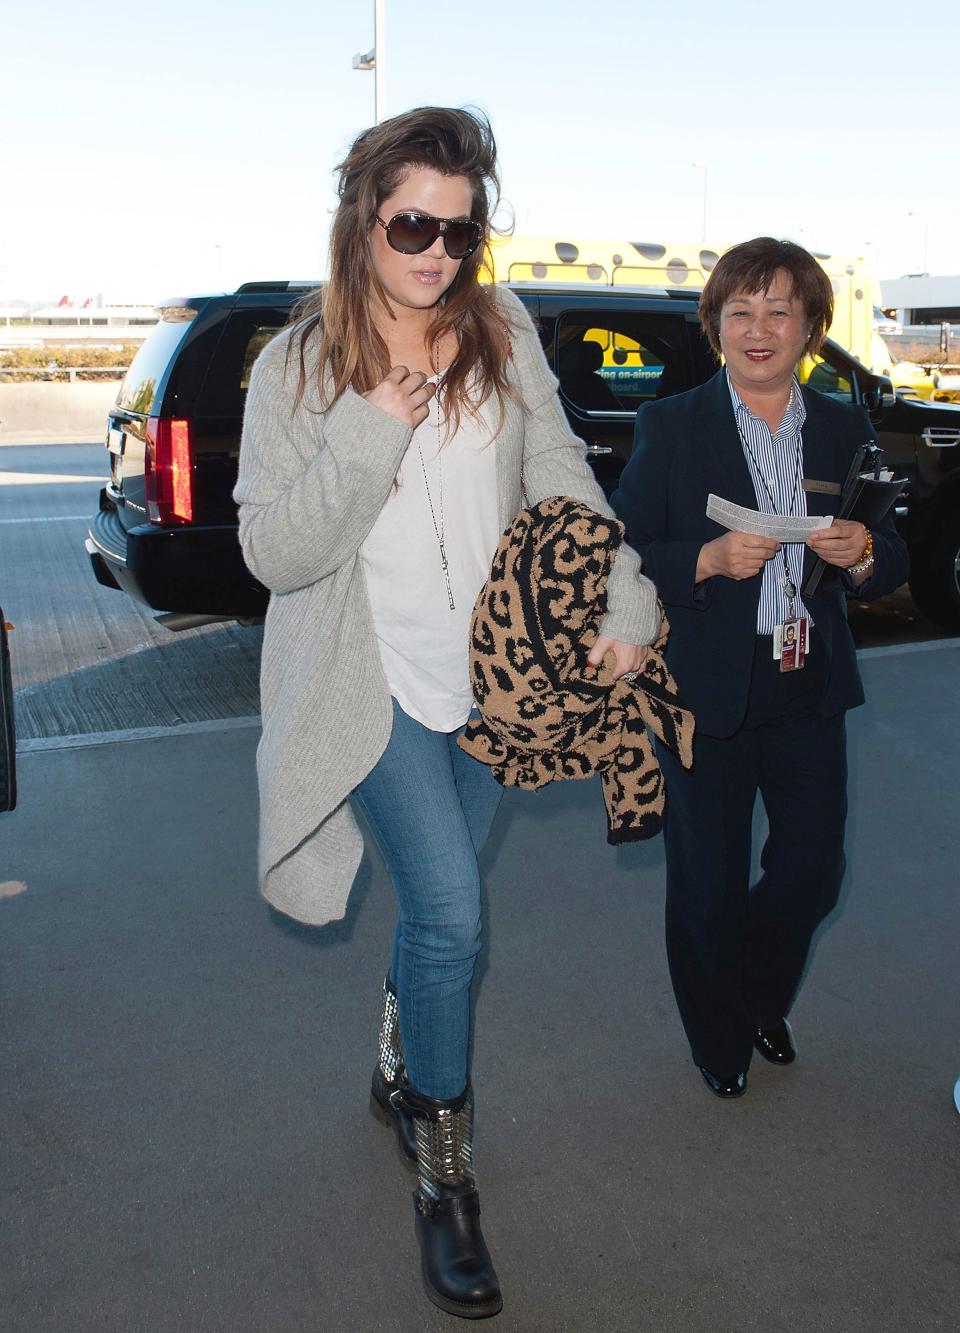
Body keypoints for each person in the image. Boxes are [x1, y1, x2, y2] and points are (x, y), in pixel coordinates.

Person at [233, 106, 659, 1319]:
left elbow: (559, 469)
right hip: (373, 687)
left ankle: (398, 1045)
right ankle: (444, 1172)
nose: (436, 254)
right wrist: (373, 425)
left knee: (435, 913)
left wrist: (625, 586)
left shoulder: (501, 327)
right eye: (413, 224)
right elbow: (273, 549)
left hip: (500, 683)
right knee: (457, 914)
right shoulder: (298, 367)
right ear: (362, 217)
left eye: (458, 233)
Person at [611, 236, 909, 1100]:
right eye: (740, 310)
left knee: (812, 869)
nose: (759, 327)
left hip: (808, 682)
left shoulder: (846, 426)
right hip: (706, 688)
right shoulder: (671, 426)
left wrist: (862, 558)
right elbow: (624, 550)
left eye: (780, 309)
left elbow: (890, 552)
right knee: (706, 884)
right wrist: (703, 562)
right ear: (715, 325)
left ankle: (754, 994)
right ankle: (720, 1040)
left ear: (811, 326)